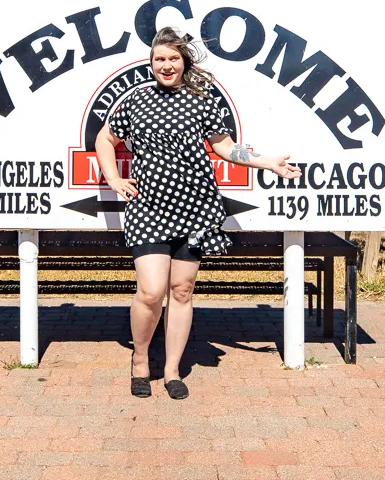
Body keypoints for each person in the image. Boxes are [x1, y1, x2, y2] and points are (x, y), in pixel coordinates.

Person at [94, 27, 301, 399]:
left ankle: (172, 369)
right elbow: (105, 139)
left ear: (184, 61)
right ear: (151, 63)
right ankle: (140, 360)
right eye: (160, 59)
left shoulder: (202, 101)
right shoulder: (136, 101)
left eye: (173, 58)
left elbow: (226, 147)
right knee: (151, 290)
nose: (166, 65)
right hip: (150, 208)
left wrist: (268, 161)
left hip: (196, 208)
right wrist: (113, 177)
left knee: (182, 290)